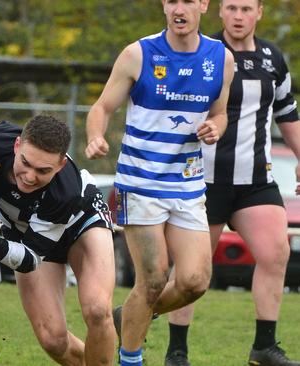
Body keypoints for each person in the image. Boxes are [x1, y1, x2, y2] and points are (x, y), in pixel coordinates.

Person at [84, 0, 234, 365]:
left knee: (195, 282)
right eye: (171, 1)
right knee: (152, 280)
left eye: (187, 1)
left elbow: (220, 112)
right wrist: (94, 136)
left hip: (187, 184)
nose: (178, 8)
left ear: (203, 5)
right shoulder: (139, 53)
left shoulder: (221, 58)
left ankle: (131, 314)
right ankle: (130, 358)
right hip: (140, 183)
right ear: (164, 6)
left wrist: (216, 127)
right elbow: (102, 107)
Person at [164, 1, 300, 365]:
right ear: (219, 13)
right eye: (231, 8)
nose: (238, 16)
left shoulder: (273, 58)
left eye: (246, 8)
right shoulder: (200, 52)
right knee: (192, 273)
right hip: (203, 182)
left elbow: (287, 112)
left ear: (259, 13)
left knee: (276, 253)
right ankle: (176, 351)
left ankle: (264, 347)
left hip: (255, 180)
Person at [0, 107, 116, 365]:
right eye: (26, 163)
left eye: (43, 170)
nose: (29, 177)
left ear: (61, 164)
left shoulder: (65, 191)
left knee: (97, 310)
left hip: (80, 223)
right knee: (53, 340)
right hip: (28, 234)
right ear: (17, 145)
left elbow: (30, 259)